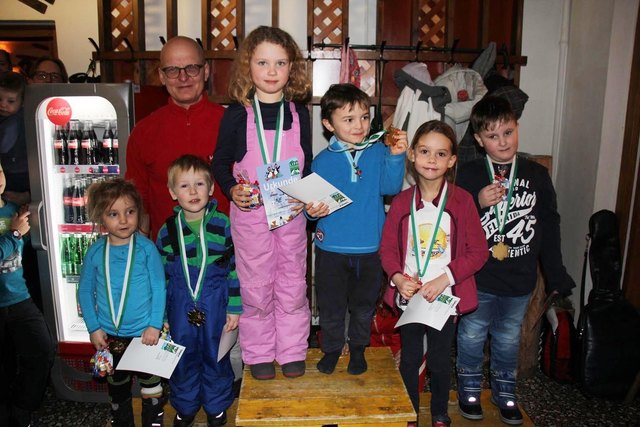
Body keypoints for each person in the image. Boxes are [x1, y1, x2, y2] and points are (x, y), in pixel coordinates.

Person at [455, 96, 575, 425]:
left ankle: (505, 392)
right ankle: (468, 389)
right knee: (471, 336)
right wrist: (477, 202)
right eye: (492, 136)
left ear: (517, 128)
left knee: (509, 338)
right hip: (478, 277)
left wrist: (556, 273)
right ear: (479, 140)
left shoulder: (536, 174)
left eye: (508, 132)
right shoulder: (468, 174)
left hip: (520, 278)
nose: (503, 141)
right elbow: (452, 222)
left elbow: (550, 225)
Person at [212, 26, 322, 380]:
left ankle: (291, 350)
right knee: (256, 285)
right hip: (251, 214)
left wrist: (311, 200)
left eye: (280, 63)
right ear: (248, 67)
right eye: (263, 62)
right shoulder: (236, 113)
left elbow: (305, 164)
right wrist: (232, 190)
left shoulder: (300, 114)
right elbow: (219, 162)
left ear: (292, 68)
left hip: (289, 213)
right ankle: (258, 353)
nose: (272, 71)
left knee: (292, 283)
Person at [379, 120, 488, 427]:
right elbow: (387, 250)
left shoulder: (463, 201)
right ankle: (410, 413)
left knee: (440, 361)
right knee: (410, 359)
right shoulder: (401, 202)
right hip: (410, 297)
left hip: (445, 298)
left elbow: (478, 253)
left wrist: (445, 279)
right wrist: (398, 279)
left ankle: (439, 412)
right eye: (425, 151)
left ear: (452, 160)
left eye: (441, 154)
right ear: (412, 154)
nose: (431, 159)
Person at [310, 83, 407, 376]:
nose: (359, 125)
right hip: (331, 250)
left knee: (364, 308)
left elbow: (390, 188)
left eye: (364, 117)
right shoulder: (321, 160)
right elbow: (311, 202)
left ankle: (358, 351)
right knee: (331, 307)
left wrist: (396, 155)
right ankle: (330, 349)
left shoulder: (379, 151)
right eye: (349, 119)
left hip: (369, 249)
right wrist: (309, 211)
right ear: (328, 123)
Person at [156, 155, 241, 427]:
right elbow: (161, 277)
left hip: (216, 303)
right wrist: (163, 316)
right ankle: (185, 406)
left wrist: (235, 308)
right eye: (184, 186)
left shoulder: (224, 225)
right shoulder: (167, 231)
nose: (193, 192)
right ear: (172, 192)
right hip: (180, 306)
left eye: (200, 184)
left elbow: (235, 269)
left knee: (216, 357)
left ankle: (216, 406)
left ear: (212, 188)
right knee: (181, 359)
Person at [78, 179, 166, 427]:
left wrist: (154, 325)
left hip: (145, 335)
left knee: (152, 386)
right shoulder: (96, 251)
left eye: (130, 211)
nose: (124, 220)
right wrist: (94, 328)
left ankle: (153, 421)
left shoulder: (147, 249)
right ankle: (122, 421)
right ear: (100, 218)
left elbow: (159, 288)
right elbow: (85, 291)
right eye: (114, 214)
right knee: (118, 387)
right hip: (110, 337)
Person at [126, 36, 228, 240]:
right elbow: (138, 203)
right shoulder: (143, 132)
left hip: (227, 255)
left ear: (206, 71)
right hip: (168, 258)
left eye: (192, 68)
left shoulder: (232, 125)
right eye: (173, 70)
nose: (183, 78)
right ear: (161, 77)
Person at [0, 161, 55, 427]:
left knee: (42, 349)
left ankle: (22, 407)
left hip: (20, 297)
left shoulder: (13, 211)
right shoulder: (14, 224)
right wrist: (13, 233)